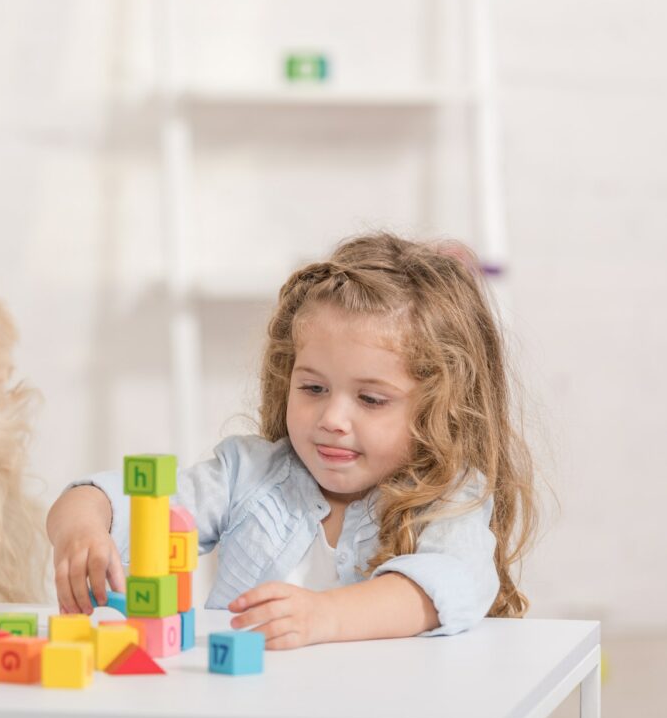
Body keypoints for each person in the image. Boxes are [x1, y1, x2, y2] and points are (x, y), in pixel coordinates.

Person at [46, 232, 538, 648]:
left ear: (439, 408)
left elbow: (445, 586)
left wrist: (326, 616)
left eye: (370, 399)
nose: (332, 418)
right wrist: (83, 531)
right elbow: (108, 498)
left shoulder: (449, 497)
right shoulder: (246, 474)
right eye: (313, 388)